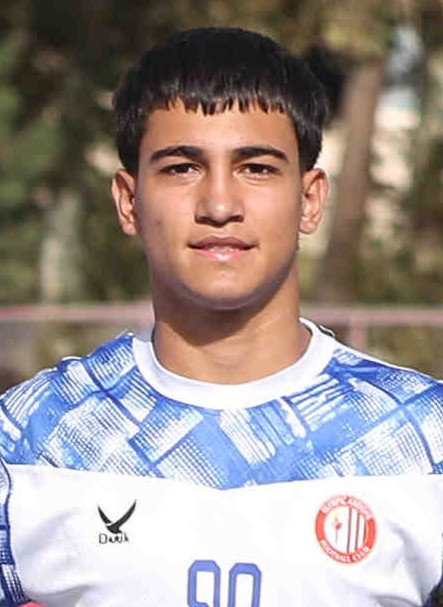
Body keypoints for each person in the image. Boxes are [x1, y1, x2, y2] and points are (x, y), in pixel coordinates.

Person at [0, 27, 442, 607]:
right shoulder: (31, 437)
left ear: (310, 199)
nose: (219, 206)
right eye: (181, 168)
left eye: (256, 168)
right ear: (129, 202)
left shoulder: (424, 440)